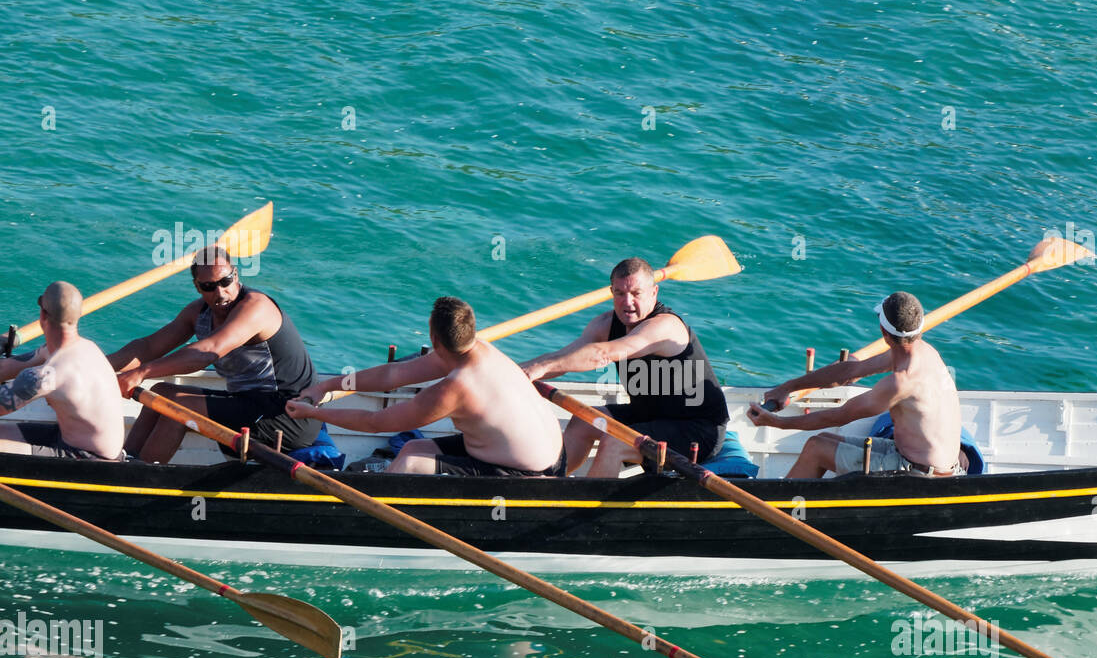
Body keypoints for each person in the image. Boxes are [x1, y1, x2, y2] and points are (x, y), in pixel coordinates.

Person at [286, 296, 564, 476]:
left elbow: (375, 423)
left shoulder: (457, 388)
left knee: (410, 463)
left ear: (434, 338)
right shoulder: (480, 349)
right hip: (554, 454)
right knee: (409, 448)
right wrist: (328, 386)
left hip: (526, 474)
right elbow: (392, 375)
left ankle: (367, 520)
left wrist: (314, 413)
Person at [521, 257, 731, 476]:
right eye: (620, 293)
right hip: (648, 415)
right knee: (584, 420)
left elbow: (603, 354)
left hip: (697, 430)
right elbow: (562, 358)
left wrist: (540, 367)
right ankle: (551, 486)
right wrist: (519, 371)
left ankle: (584, 506)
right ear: (612, 292)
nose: (627, 302)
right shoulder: (604, 324)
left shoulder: (665, 327)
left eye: (636, 293)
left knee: (614, 441)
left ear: (654, 292)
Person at [108, 246, 318, 463]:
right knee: (160, 392)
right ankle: (124, 462)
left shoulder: (257, 307)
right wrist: (99, 366)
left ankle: (141, 475)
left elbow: (206, 353)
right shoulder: (197, 313)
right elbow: (149, 347)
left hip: (288, 413)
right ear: (197, 287)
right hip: (248, 401)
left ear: (235, 275)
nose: (220, 292)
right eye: (209, 286)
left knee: (181, 408)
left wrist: (141, 372)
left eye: (225, 281)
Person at [747, 291, 963, 478]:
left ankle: (780, 511)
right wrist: (788, 387)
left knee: (816, 448)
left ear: (884, 332)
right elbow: (850, 371)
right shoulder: (924, 352)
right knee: (823, 439)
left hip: (919, 475)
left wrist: (775, 422)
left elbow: (838, 416)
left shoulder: (900, 383)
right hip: (920, 459)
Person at [0, 282, 125, 460]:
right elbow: (5, 368)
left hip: (90, 461)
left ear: (43, 315)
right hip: (70, 439)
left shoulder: (49, 376)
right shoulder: (86, 348)